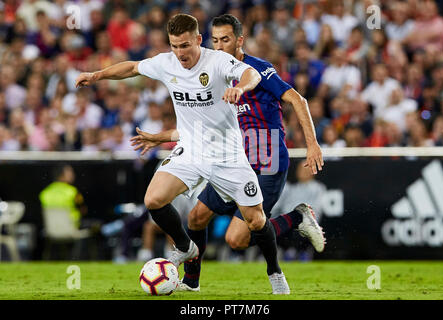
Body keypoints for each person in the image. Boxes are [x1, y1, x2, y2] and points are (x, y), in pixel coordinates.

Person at [77, 14, 314, 294]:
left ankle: (274, 272)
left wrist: (240, 88)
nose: (180, 53)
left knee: (256, 221)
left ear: (198, 40)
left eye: (185, 46)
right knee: (154, 200)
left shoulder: (217, 61)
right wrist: (97, 75)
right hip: (191, 150)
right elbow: (132, 68)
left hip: (229, 156)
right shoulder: (166, 62)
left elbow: (252, 74)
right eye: (175, 46)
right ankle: (185, 248)